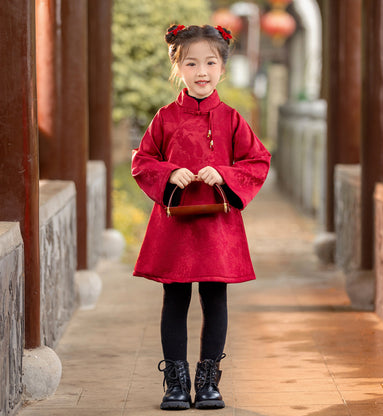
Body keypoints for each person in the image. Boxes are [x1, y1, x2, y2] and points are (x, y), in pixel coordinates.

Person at [131, 24, 271, 410]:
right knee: (174, 298)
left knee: (215, 297)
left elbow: (258, 160)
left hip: (217, 227)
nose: (202, 71)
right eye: (191, 63)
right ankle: (176, 383)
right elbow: (142, 161)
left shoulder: (231, 118)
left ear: (222, 68)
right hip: (175, 223)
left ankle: (208, 382)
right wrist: (169, 172)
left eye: (210, 62)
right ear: (178, 68)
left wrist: (223, 174)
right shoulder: (165, 117)